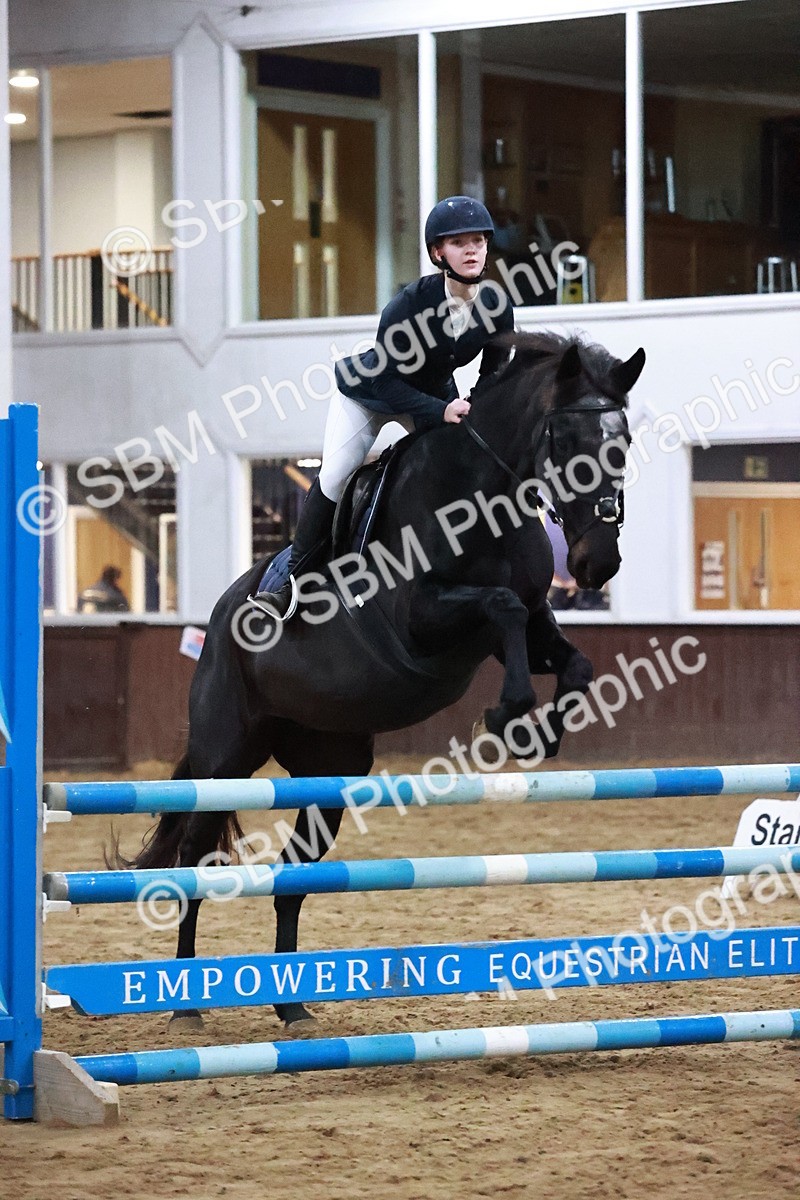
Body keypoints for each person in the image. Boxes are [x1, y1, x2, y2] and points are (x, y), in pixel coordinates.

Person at [253, 195, 515, 619]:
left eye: (479, 242)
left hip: (433, 393)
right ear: (438, 253)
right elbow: (386, 382)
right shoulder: (408, 304)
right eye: (459, 243)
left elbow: (495, 370)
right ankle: (291, 582)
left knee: (461, 464)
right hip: (371, 394)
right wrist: (441, 412)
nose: (472, 251)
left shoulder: (496, 305)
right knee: (336, 475)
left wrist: (475, 405)